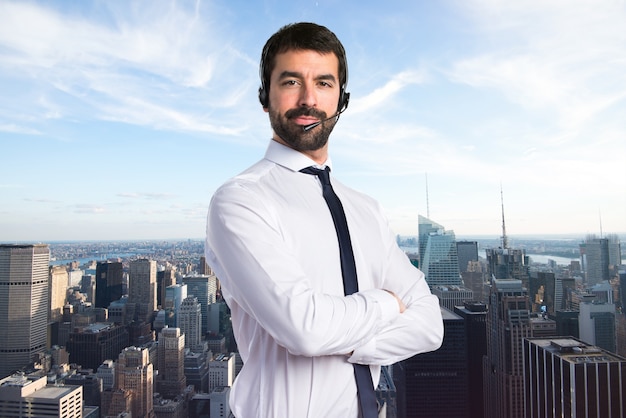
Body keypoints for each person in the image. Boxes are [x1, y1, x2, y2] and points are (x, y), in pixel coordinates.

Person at [205, 22, 443, 418]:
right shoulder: (240, 200)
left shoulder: (367, 208)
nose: (308, 99)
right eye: (291, 81)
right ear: (266, 97)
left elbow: (430, 325)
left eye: (324, 83)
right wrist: (386, 305)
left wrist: (346, 341)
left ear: (341, 100)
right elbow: (305, 328)